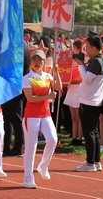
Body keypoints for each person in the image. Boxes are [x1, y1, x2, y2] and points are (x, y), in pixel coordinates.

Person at [21, 49, 62, 189]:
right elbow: (30, 98)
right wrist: (48, 97)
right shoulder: (27, 78)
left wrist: (56, 72)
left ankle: (43, 166)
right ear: (31, 62)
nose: (37, 62)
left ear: (44, 62)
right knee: (31, 147)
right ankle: (28, 178)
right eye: (34, 60)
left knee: (53, 139)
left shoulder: (47, 76)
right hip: (31, 116)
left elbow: (59, 87)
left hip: (45, 115)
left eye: (40, 60)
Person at [76, 35, 103, 172]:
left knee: (89, 133)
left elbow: (87, 79)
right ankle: (96, 161)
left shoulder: (96, 62)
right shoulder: (102, 60)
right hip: (95, 100)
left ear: (95, 48)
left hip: (89, 101)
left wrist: (80, 66)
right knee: (94, 132)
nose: (86, 49)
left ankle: (90, 163)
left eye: (88, 47)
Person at [64, 40, 84, 146]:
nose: (72, 49)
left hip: (79, 89)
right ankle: (74, 136)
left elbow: (83, 76)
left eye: (74, 47)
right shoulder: (70, 59)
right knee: (73, 117)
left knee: (79, 116)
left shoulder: (82, 59)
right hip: (71, 89)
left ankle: (79, 137)